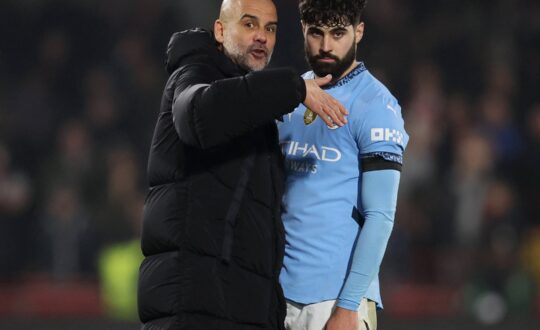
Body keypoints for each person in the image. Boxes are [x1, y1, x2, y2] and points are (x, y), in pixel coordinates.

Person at [137, 0, 348, 329]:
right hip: (196, 309)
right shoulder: (196, 70)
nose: (262, 37)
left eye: (270, 28)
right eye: (249, 25)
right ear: (220, 31)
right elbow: (198, 116)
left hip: (236, 309)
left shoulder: (257, 116)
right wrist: (291, 87)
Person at [277, 1, 409, 329]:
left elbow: (380, 216)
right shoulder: (290, 97)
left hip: (334, 301)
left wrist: (348, 306)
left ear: (358, 31)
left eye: (338, 33)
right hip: (276, 295)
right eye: (316, 33)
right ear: (303, 31)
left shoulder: (375, 105)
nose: (325, 46)